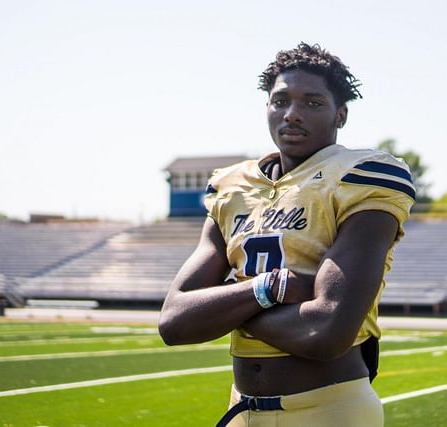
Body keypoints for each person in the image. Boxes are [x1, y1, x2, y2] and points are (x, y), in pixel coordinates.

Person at [159, 42, 415, 427]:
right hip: (240, 410)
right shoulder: (231, 187)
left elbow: (325, 330)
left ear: (340, 114)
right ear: (267, 107)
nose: (292, 114)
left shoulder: (363, 175)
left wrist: (225, 307)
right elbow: (175, 321)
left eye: (312, 103)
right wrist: (268, 289)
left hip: (329, 410)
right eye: (280, 101)